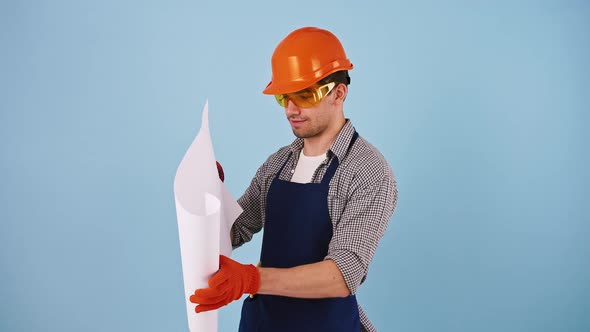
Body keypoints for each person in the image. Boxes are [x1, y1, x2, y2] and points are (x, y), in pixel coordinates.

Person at [190, 27, 398, 332]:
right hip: (264, 323)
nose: (291, 109)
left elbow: (343, 274)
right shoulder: (278, 164)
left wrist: (252, 278)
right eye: (284, 97)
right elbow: (234, 232)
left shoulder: (367, 171)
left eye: (304, 95)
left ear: (338, 93)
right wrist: (209, 196)